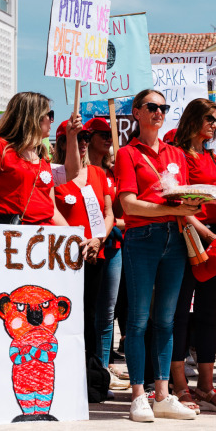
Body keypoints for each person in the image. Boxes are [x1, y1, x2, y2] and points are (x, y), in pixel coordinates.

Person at [113, 89, 201, 422]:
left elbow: (183, 199)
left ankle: (163, 395)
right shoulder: (127, 153)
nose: (159, 112)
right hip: (142, 237)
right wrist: (167, 208)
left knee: (166, 321)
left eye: (164, 107)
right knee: (137, 321)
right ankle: (138, 395)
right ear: (136, 112)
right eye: (152, 107)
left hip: (174, 237)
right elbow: (128, 204)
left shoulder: (176, 154)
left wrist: (193, 205)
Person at [168, 98, 216, 414]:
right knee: (180, 313)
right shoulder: (179, 154)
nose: (215, 124)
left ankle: (206, 386)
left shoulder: (214, 159)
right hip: (188, 236)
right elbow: (178, 201)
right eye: (210, 118)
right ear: (194, 118)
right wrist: (206, 234)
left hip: (214, 238)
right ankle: (179, 384)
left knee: (209, 313)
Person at [53, 120, 116, 364]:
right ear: (61, 142)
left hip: (93, 255)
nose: (81, 144)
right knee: (64, 315)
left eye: (85, 139)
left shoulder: (98, 173)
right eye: (74, 139)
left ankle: (90, 371)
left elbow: (109, 214)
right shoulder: (54, 174)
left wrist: (98, 240)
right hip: (62, 259)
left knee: (89, 314)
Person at [0, 92, 70, 227]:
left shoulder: (41, 158)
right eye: (49, 115)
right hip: (12, 238)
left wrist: (75, 237)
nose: (52, 120)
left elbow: (52, 211)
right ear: (34, 117)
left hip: (45, 240)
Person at [84, 117, 129, 383]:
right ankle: (91, 366)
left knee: (107, 312)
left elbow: (121, 214)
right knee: (88, 309)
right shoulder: (77, 170)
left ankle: (102, 366)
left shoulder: (112, 174)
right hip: (85, 248)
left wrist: (109, 228)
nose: (107, 138)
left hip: (112, 248)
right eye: (100, 133)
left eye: (109, 134)